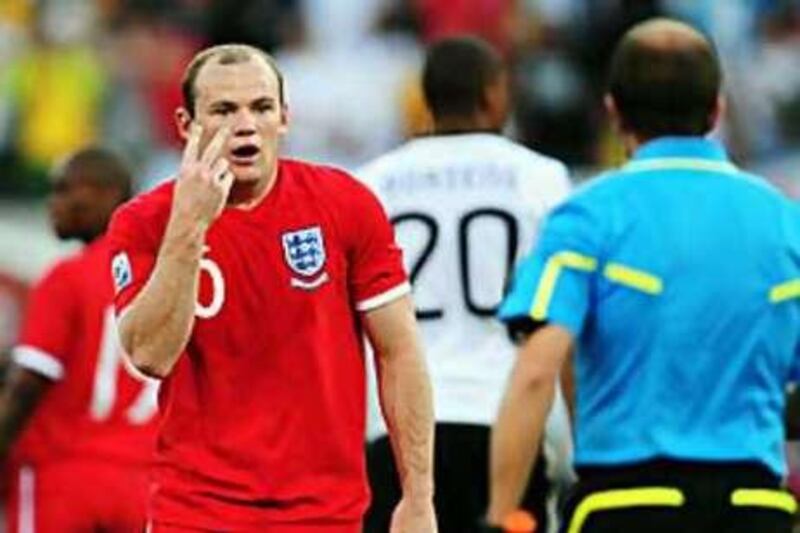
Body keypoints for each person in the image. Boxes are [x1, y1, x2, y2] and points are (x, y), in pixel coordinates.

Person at [486, 18, 800, 533]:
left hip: (626, 504)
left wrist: (499, 516)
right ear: (717, 108)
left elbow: (538, 370)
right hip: (754, 506)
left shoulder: (586, 218)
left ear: (613, 112)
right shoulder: (786, 224)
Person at [107, 44, 436, 533]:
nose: (245, 125)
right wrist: (189, 226)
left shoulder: (344, 205)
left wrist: (418, 496)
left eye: (261, 107)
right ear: (184, 125)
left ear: (284, 118)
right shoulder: (144, 223)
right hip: (195, 512)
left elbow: (400, 352)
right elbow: (150, 355)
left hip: (324, 514)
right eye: (223, 110)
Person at [359, 36, 574, 533]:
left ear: (427, 100)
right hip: (504, 421)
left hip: (397, 428)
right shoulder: (541, 178)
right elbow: (561, 320)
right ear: (494, 93)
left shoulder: (372, 182)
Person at [0, 147, 159, 533]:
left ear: (109, 194)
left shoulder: (69, 277)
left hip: (62, 473)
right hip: (145, 484)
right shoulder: (165, 281)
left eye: (67, 190)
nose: (54, 204)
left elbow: (28, 384)